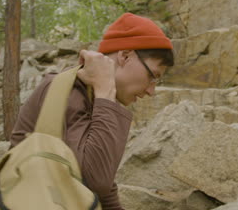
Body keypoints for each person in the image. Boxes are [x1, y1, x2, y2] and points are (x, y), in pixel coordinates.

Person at [10, 12, 174, 209]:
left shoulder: (90, 95)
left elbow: (107, 186)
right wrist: (106, 92)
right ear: (125, 55)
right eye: (153, 76)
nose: (151, 91)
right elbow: (96, 180)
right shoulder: (63, 90)